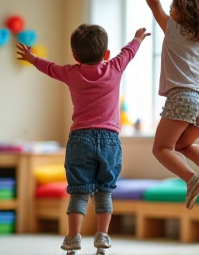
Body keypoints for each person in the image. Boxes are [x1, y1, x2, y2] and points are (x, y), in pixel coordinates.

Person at [17, 24, 150, 255]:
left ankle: (74, 237)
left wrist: (31, 58)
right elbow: (128, 53)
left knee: (79, 192)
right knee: (104, 192)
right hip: (110, 139)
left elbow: (50, 68)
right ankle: (102, 235)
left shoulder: (71, 72)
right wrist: (137, 38)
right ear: (106, 54)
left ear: (75, 56)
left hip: (80, 140)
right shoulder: (115, 67)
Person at [130, 0, 199, 210]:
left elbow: (153, 4)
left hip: (184, 97)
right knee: (183, 145)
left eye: (174, 7)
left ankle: (191, 179)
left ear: (181, 12)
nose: (170, 11)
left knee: (161, 148)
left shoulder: (173, 29)